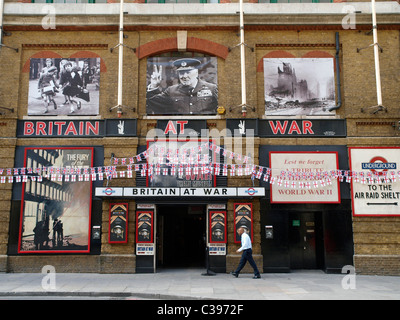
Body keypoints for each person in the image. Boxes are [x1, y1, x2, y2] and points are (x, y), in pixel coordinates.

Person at [146, 58, 218, 115]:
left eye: (188, 72)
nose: (184, 76)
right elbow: (154, 104)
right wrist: (153, 85)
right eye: (181, 73)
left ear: (196, 72)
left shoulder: (211, 88)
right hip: (180, 130)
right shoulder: (171, 91)